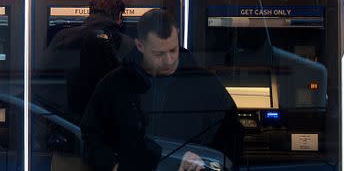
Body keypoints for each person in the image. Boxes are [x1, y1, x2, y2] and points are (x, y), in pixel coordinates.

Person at [82, 9, 242, 171]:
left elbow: (233, 135)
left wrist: (203, 157)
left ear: (177, 35)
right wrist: (112, 165)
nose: (169, 60)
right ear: (140, 45)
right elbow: (90, 135)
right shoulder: (114, 84)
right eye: (159, 54)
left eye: (173, 50)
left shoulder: (205, 83)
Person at [38, 0, 133, 171]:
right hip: (110, 153)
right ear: (119, 16)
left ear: (90, 11)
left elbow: (43, 87)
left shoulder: (62, 39)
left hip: (68, 144)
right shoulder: (126, 44)